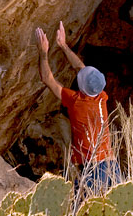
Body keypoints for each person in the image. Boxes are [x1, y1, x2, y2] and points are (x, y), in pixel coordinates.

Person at [35, 21, 121, 195]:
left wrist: (43, 52)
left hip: (93, 170)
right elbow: (80, 67)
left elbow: (48, 79)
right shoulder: (101, 96)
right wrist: (63, 45)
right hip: (112, 166)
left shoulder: (76, 102)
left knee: (81, 212)